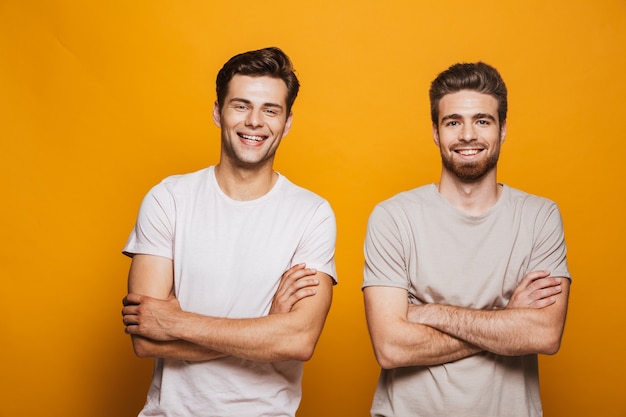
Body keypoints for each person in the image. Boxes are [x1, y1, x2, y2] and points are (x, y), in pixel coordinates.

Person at [121, 47, 337, 417]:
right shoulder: (168, 199)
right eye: (241, 106)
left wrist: (177, 322)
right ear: (218, 112)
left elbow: (300, 340)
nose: (255, 121)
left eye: (270, 110)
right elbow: (145, 339)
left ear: (286, 122)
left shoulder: (311, 213)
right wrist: (268, 328)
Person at [362, 62, 571, 417]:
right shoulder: (394, 218)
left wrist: (428, 313)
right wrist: (507, 320)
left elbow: (544, 335)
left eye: (482, 121)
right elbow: (391, 347)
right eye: (453, 121)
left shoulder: (540, 217)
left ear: (502, 129)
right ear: (435, 131)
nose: (468, 135)